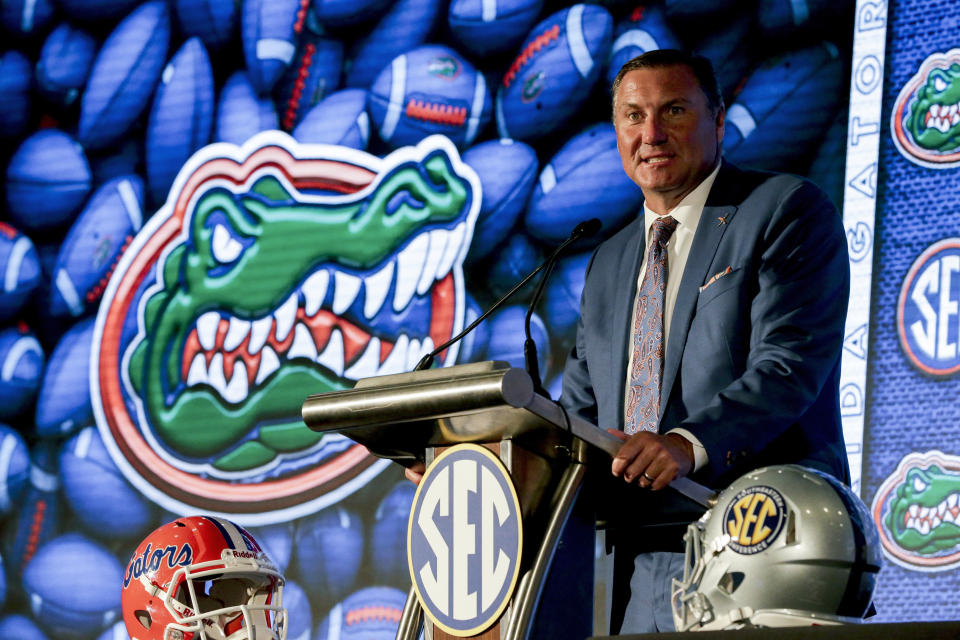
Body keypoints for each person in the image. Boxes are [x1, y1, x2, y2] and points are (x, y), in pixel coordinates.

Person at [559, 49, 850, 633]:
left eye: (673, 111)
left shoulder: (783, 210)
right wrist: (481, 462)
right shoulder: (608, 261)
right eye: (633, 116)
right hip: (632, 560)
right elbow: (577, 414)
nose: (651, 134)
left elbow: (788, 364)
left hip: (763, 539)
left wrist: (685, 443)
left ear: (718, 120)